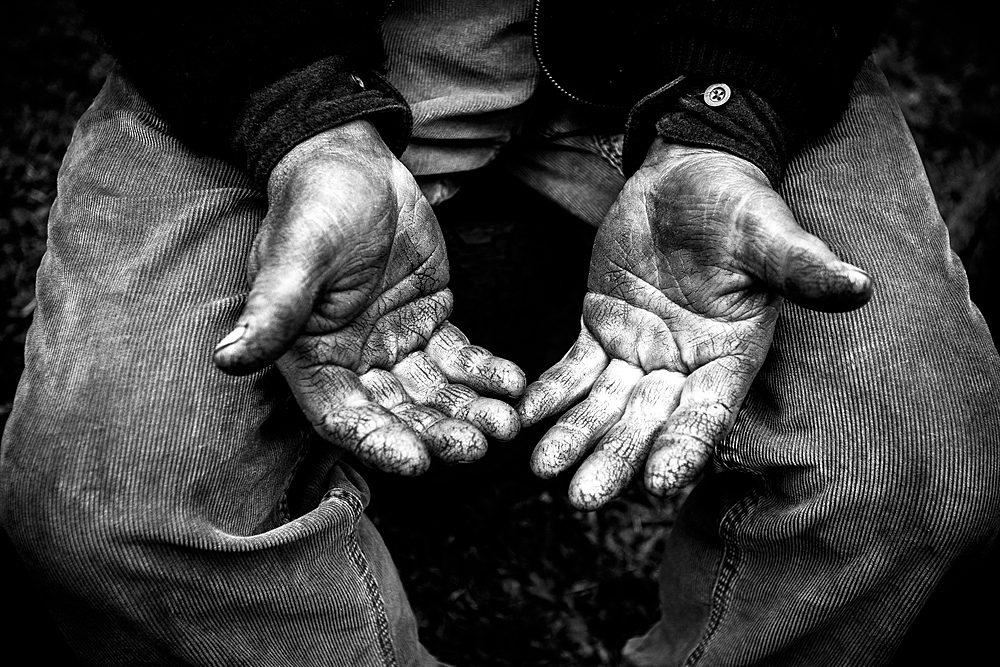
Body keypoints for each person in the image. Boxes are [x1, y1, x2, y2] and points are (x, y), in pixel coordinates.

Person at [2, 1, 998, 665]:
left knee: (923, 462)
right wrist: (296, 113)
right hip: (288, 33)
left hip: (714, 37)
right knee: (105, 493)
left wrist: (730, 116)